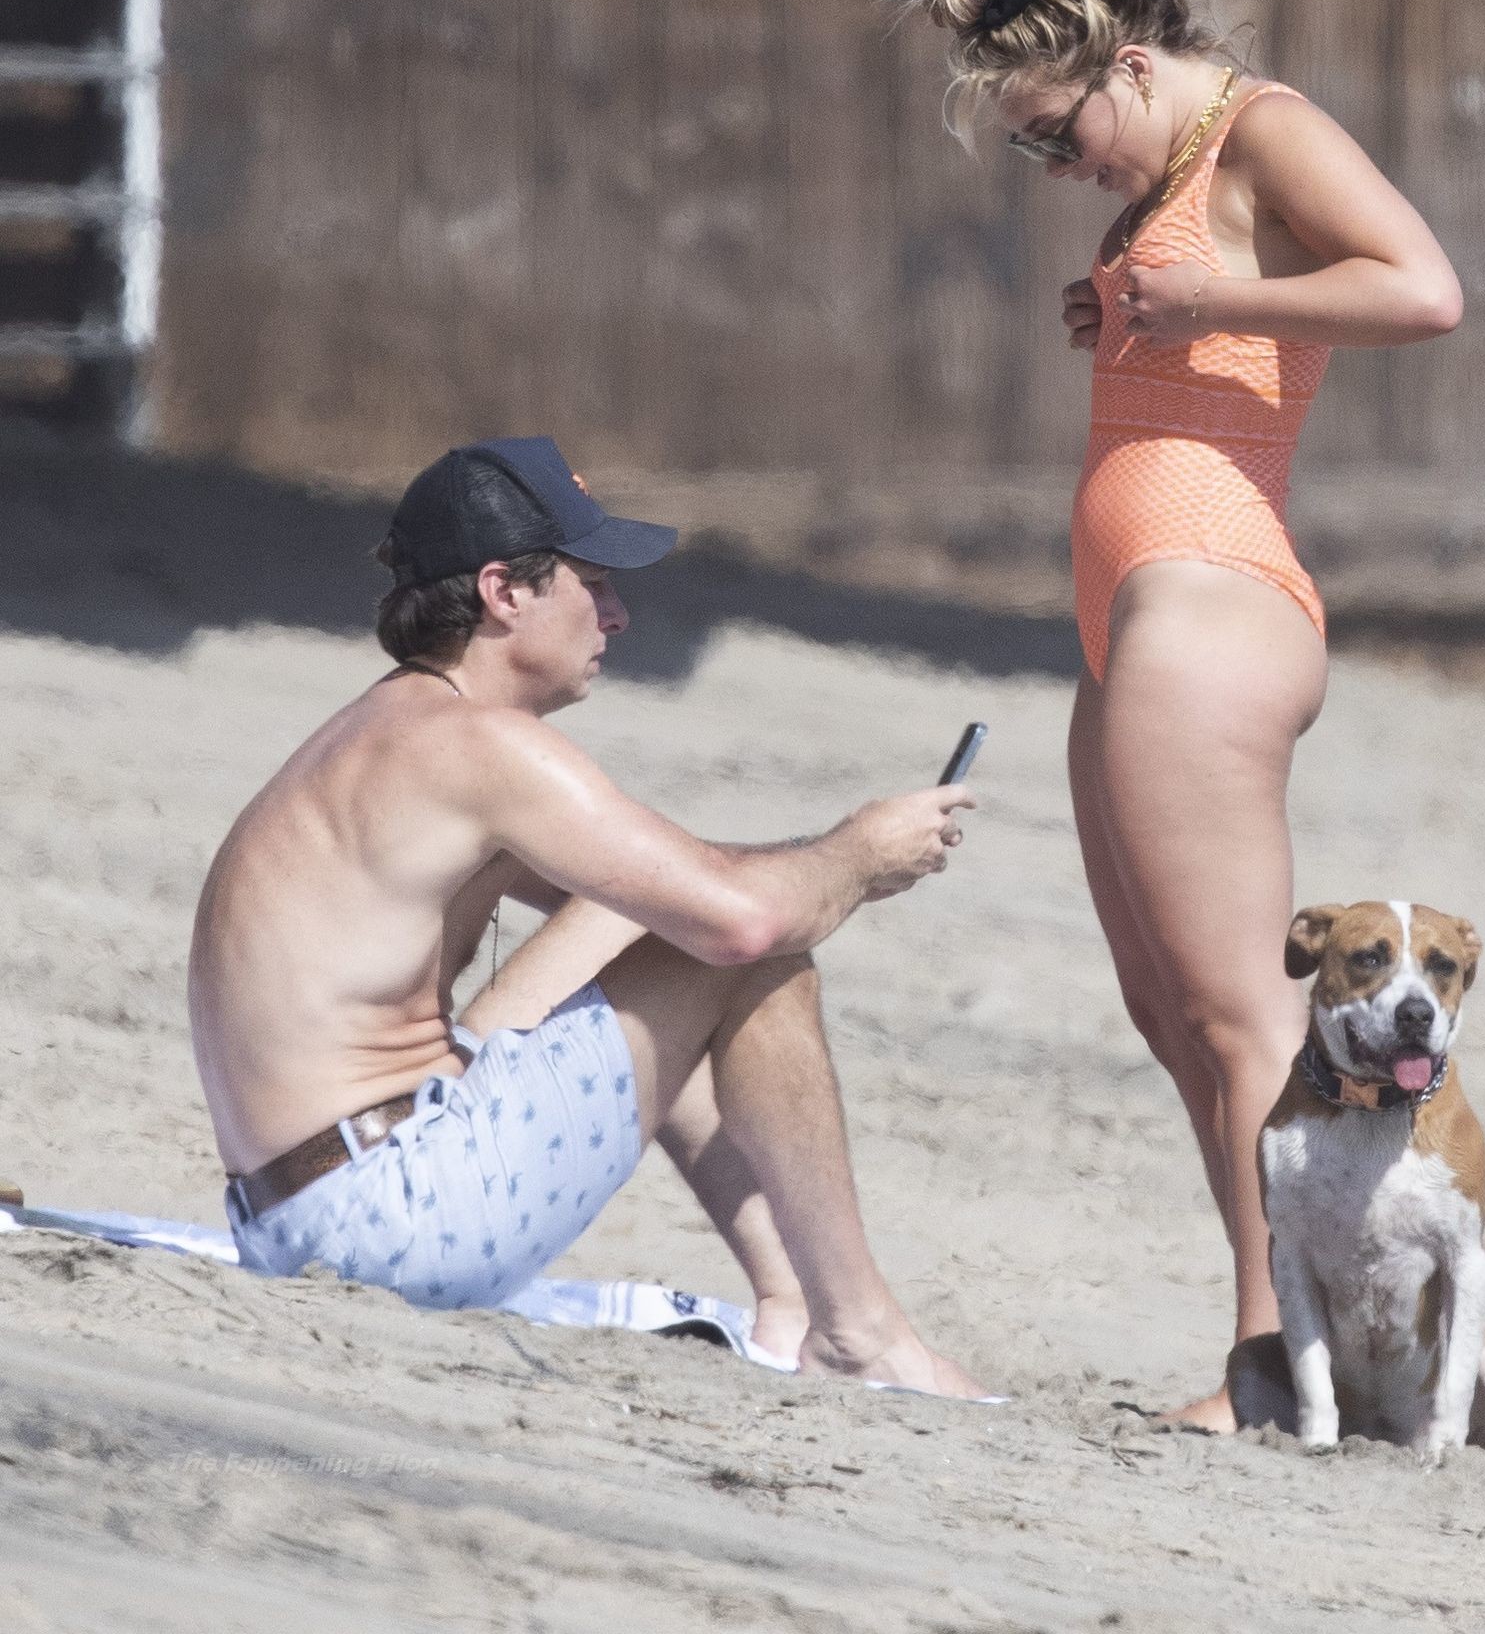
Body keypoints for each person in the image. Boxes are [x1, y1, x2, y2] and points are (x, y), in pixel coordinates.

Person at [884, 0, 1463, 1429]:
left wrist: (1206, 295)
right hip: (1142, 617)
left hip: (1212, 609)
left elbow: (1422, 289)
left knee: (1246, 1018)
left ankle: (1288, 1366)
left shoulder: (1264, 129)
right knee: (1173, 1013)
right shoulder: (1170, 174)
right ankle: (1295, 1352)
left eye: (1055, 133)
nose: (1056, 165)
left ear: (1130, 67)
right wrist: (1138, 308)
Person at [188, 435, 986, 1398]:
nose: (617, 613)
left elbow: (672, 895)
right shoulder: (483, 746)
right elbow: (740, 927)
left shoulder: (389, 730)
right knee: (746, 951)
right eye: (593, 583)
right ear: (503, 592)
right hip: (389, 1221)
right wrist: (858, 854)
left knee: (661, 919)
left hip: (290, 1217)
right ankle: (857, 1330)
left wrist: (814, 868)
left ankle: (791, 1305)